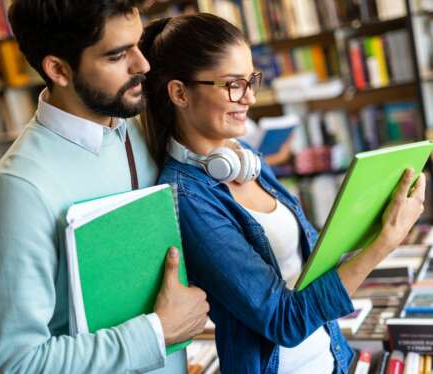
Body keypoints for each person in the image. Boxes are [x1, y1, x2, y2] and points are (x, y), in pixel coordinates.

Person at [139, 13, 426, 374]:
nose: (250, 97)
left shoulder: (247, 159)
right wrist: (382, 244)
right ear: (180, 92)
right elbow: (283, 321)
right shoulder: (188, 198)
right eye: (233, 85)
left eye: (251, 80)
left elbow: (311, 262)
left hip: (331, 358)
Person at [0, 1, 209, 373]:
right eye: (117, 56)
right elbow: (10, 365)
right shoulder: (20, 189)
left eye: (138, 44)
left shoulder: (138, 128)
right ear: (58, 69)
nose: (142, 65)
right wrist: (157, 331)